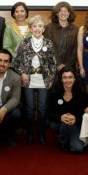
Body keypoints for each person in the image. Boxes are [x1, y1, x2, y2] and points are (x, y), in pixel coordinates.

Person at [14, 15, 56, 146]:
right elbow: (17, 62)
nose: (37, 28)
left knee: (43, 108)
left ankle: (42, 134)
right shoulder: (24, 43)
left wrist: (50, 79)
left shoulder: (48, 43)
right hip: (28, 81)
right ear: (30, 28)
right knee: (30, 108)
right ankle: (30, 133)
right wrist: (22, 73)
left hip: (43, 81)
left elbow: (53, 64)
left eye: (40, 26)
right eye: (34, 26)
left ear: (43, 29)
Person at [48, 66, 85, 153]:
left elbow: (84, 113)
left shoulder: (81, 92)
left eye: (70, 77)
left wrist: (75, 119)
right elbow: (48, 112)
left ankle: (66, 137)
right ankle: (62, 141)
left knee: (78, 149)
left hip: (75, 124)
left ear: (75, 78)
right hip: (58, 123)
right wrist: (61, 117)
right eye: (65, 77)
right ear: (61, 79)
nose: (68, 80)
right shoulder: (54, 92)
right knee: (63, 124)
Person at [44, 1, 78, 72]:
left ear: (69, 13)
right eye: (60, 11)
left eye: (65, 11)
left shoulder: (75, 29)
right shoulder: (49, 28)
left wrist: (67, 65)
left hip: (70, 67)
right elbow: (49, 47)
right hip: (52, 66)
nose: (63, 13)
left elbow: (75, 50)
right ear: (56, 13)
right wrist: (58, 64)